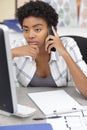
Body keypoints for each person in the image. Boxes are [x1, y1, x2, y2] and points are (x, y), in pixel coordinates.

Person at [11, 0, 87, 98]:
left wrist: (64, 53)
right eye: (26, 30)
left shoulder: (68, 45)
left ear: (51, 29)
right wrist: (10, 54)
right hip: (28, 106)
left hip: (63, 106)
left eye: (37, 29)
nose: (30, 35)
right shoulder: (16, 47)